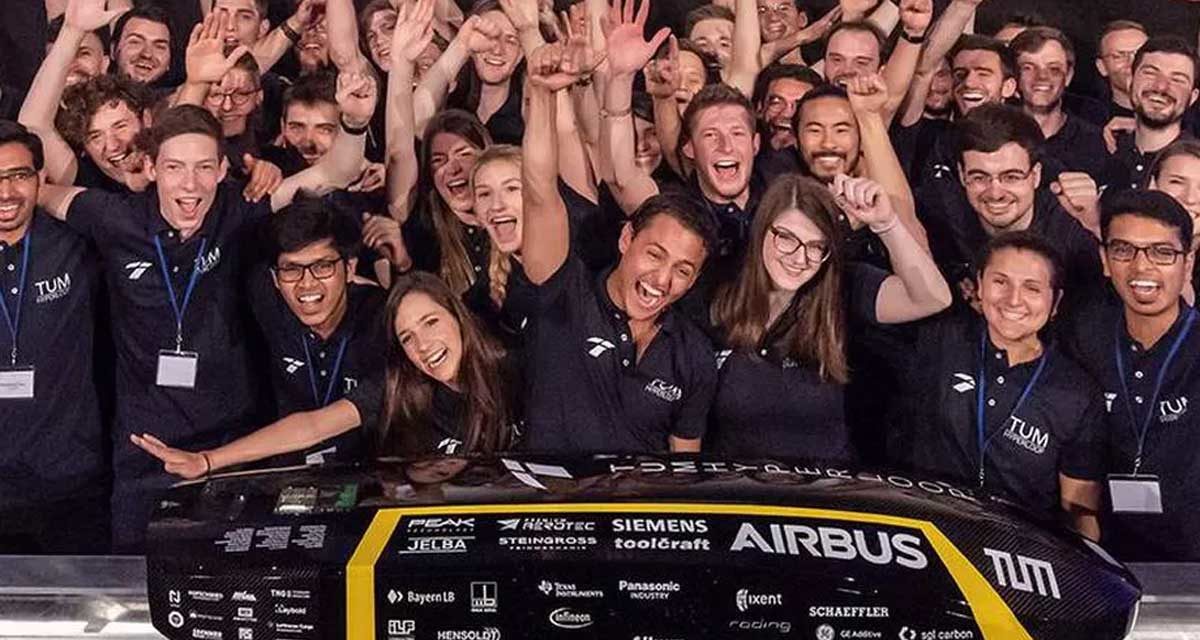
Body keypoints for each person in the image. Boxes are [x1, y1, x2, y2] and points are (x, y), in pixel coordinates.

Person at [34, 69, 376, 551]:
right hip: (143, 451)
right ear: (151, 168)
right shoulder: (114, 217)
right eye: (174, 167)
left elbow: (333, 173)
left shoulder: (239, 209)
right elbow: (41, 193)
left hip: (231, 443)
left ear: (221, 170)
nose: (189, 184)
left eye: (202, 168)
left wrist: (357, 123)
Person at [519, 37, 718, 453]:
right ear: (627, 238)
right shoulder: (563, 293)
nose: (661, 280)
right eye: (655, 254)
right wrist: (541, 94)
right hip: (557, 511)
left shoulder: (694, 354)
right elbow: (539, 191)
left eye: (683, 270)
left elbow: (683, 465)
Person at [132, 270, 520, 477]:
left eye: (431, 322)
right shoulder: (402, 387)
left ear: (458, 316)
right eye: (407, 337)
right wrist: (207, 461)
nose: (423, 345)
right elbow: (313, 427)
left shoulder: (512, 368)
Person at [707, 173, 951, 460]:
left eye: (816, 247)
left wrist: (886, 223)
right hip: (739, 496)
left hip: (825, 495)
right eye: (787, 238)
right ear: (761, 231)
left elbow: (933, 298)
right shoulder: (720, 293)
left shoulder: (843, 288)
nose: (800, 259)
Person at [895, 231, 1104, 540]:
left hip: (1021, 552)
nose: (1013, 300)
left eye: (1032, 288)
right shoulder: (939, 341)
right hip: (931, 539)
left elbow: (1079, 511)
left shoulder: (1076, 391)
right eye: (1000, 282)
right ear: (979, 285)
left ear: (1055, 301)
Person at [1063, 190, 1200, 561]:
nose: (1142, 268)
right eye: (1124, 250)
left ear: (1187, 265)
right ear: (1105, 260)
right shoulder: (1083, 335)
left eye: (1162, 252)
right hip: (1105, 559)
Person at [0, 120, 108, 553]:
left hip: (69, 477)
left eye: (19, 176)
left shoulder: (77, 241)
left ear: (41, 179)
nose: (6, 193)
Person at [1102, 36, 1200, 194]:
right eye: (1150, 73)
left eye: (1177, 79)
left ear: (1193, 97)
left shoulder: (1196, 165)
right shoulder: (1100, 152)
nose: (1161, 86)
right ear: (1130, 81)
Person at [1009, 27, 1107, 179]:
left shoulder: (1096, 142)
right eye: (1028, 68)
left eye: (1054, 69)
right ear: (1014, 76)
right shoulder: (996, 136)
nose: (1041, 77)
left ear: (1068, 76)